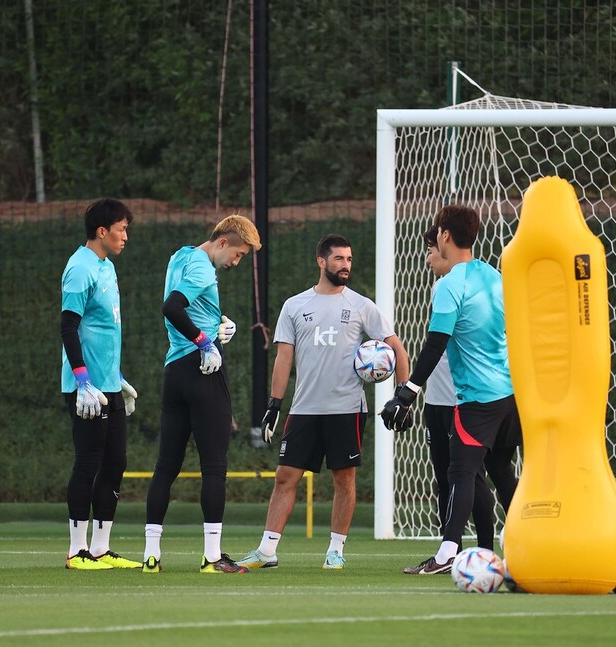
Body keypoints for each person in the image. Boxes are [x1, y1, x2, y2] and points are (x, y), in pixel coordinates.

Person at [236, 234, 409, 570]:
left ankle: (336, 550)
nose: (345, 265)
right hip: (303, 409)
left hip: (347, 408)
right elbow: (283, 358)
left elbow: (396, 347)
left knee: (343, 479)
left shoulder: (361, 305)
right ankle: (267, 550)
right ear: (321, 261)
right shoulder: (295, 305)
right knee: (285, 476)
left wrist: (404, 393)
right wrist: (274, 404)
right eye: (339, 259)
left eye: (349, 260)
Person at [381, 205, 522, 575]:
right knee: (500, 470)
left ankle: (446, 554)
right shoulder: (494, 276)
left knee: (459, 471)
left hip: (477, 399)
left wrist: (407, 391)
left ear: (444, 235)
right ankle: (531, 537)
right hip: (510, 396)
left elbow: (436, 343)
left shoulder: (449, 284)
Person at [143, 214, 261, 574]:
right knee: (214, 467)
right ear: (223, 242)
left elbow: (185, 305)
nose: (237, 263)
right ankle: (212, 557)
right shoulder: (204, 269)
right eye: (238, 255)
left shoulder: (180, 256)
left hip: (174, 372)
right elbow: (172, 307)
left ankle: (152, 557)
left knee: (166, 466)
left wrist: (218, 320)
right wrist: (204, 341)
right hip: (203, 370)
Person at [60, 198, 141, 570]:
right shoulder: (80, 268)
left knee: (116, 462)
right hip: (85, 386)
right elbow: (69, 326)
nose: (126, 236)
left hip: (107, 384)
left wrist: (117, 379)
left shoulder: (107, 267)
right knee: (88, 462)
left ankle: (100, 548)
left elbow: (103, 332)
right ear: (102, 231)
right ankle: (77, 551)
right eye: (122, 229)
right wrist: (82, 380)